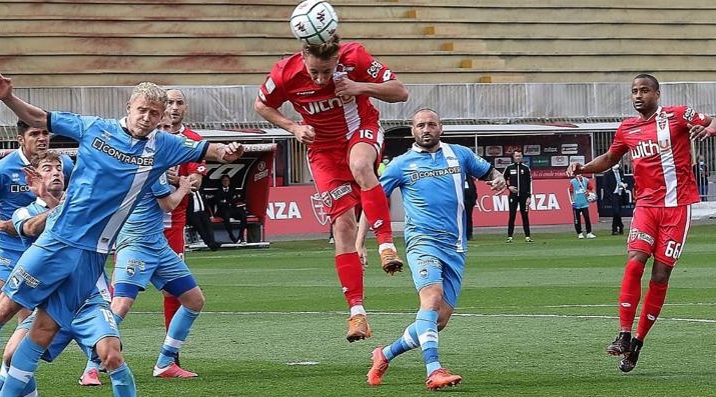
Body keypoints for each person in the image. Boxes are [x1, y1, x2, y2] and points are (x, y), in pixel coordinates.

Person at [0, 72, 243, 397]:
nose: (146, 118)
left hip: (92, 257)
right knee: (0, 309)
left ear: (160, 116)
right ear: (129, 107)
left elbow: (210, 150)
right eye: (142, 110)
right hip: (57, 240)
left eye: (154, 113)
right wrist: (8, 98)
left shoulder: (165, 146)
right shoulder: (96, 128)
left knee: (44, 331)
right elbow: (40, 117)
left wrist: (228, 151)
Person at [567, 74, 716, 373]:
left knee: (661, 275)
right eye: (634, 91)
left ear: (657, 93)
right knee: (634, 261)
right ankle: (624, 334)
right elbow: (611, 158)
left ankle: (638, 342)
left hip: (677, 207)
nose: (638, 96)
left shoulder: (678, 115)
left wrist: (711, 131)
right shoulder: (627, 128)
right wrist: (584, 168)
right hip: (646, 206)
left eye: (643, 90)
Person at [255, 33, 409, 342]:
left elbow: (400, 92)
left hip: (359, 129)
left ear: (338, 58)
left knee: (362, 166)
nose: (322, 78)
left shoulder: (356, 56)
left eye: (328, 70)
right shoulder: (284, 72)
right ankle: (357, 313)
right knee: (342, 227)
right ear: (303, 57)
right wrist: (294, 127)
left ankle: (386, 244)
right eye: (315, 72)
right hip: (323, 151)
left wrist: (360, 87)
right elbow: (261, 105)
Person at [366, 109, 507, 390]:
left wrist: (498, 178)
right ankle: (434, 370)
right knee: (431, 299)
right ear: (412, 130)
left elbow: (489, 172)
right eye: (420, 125)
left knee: (438, 321)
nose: (426, 129)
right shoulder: (400, 164)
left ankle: (385, 354)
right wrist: (367, 243)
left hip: (455, 247)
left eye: (431, 124)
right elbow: (372, 201)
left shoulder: (460, 154)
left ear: (440, 127)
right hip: (422, 242)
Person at [0, 121, 75, 397]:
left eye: (45, 133)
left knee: (27, 318)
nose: (42, 138)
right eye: (35, 134)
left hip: (41, 247)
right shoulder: (0, 169)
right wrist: (0, 224)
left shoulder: (62, 165)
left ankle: (3, 384)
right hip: (7, 243)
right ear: (21, 139)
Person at [0, 151, 108, 395]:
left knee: (112, 357)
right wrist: (57, 204)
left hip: (88, 301)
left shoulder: (83, 205)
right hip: (50, 303)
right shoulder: (24, 211)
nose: (56, 172)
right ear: (33, 178)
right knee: (12, 354)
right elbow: (32, 228)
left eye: (59, 168)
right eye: (48, 169)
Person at [111, 163, 204, 378]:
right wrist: (182, 186)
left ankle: (165, 362)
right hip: (136, 244)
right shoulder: (152, 164)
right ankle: (92, 364)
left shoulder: (147, 165)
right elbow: (168, 205)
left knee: (194, 300)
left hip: (158, 245)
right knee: (121, 304)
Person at [160, 89, 208, 352]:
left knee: (174, 290)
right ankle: (96, 357)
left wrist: (174, 180)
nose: (174, 107)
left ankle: (170, 355)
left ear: (185, 108)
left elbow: (195, 182)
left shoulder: (192, 141)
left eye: (179, 103)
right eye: (169, 102)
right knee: (121, 295)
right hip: (138, 225)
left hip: (173, 223)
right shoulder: (146, 138)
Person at [503, 150, 533, 243]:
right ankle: (509, 237)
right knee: (512, 216)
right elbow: (502, 180)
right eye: (516, 156)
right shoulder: (509, 168)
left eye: (520, 156)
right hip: (513, 196)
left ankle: (527, 236)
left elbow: (529, 183)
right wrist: (509, 187)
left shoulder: (526, 168)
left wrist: (529, 196)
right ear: (513, 157)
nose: (518, 158)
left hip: (524, 196)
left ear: (522, 157)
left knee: (525, 216)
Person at [212, 175, 248, 244]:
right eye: (224, 181)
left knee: (243, 215)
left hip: (232, 209)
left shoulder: (233, 189)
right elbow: (218, 202)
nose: (225, 182)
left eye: (227, 180)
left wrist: (226, 201)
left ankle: (241, 236)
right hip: (223, 210)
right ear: (221, 182)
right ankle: (231, 236)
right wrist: (229, 201)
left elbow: (235, 200)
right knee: (226, 216)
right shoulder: (218, 191)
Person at [569, 174, 597, 239]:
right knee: (577, 219)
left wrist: (594, 195)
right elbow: (571, 192)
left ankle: (589, 233)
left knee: (587, 218)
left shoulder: (586, 180)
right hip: (576, 203)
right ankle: (580, 233)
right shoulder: (573, 182)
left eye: (580, 174)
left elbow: (591, 188)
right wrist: (572, 201)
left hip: (584, 203)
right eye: (577, 175)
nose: (579, 176)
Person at [609, 162, 627, 235]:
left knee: (618, 212)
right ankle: (620, 226)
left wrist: (624, 184)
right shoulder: (608, 174)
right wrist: (610, 196)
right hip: (613, 194)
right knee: (616, 211)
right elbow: (606, 186)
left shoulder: (620, 171)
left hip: (620, 193)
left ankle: (615, 228)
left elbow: (623, 180)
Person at [462, 175, 478, 240]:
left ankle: (469, 234)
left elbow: (474, 189)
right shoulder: (458, 179)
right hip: (461, 202)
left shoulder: (469, 179)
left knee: (468, 218)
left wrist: (474, 199)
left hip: (469, 202)